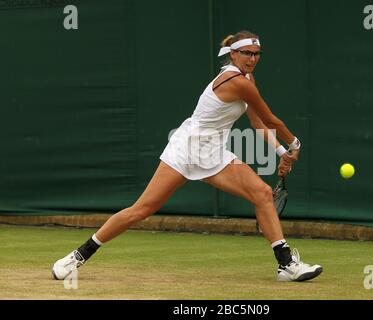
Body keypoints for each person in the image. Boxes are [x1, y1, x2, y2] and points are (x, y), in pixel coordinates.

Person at [52, 30, 323, 282]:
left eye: (256, 54)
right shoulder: (236, 81)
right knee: (141, 210)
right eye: (247, 54)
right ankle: (78, 255)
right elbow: (270, 118)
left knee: (262, 194)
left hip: (214, 153)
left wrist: (280, 152)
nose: (252, 59)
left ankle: (285, 265)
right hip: (186, 149)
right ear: (233, 54)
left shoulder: (248, 80)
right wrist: (294, 143)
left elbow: (258, 124)